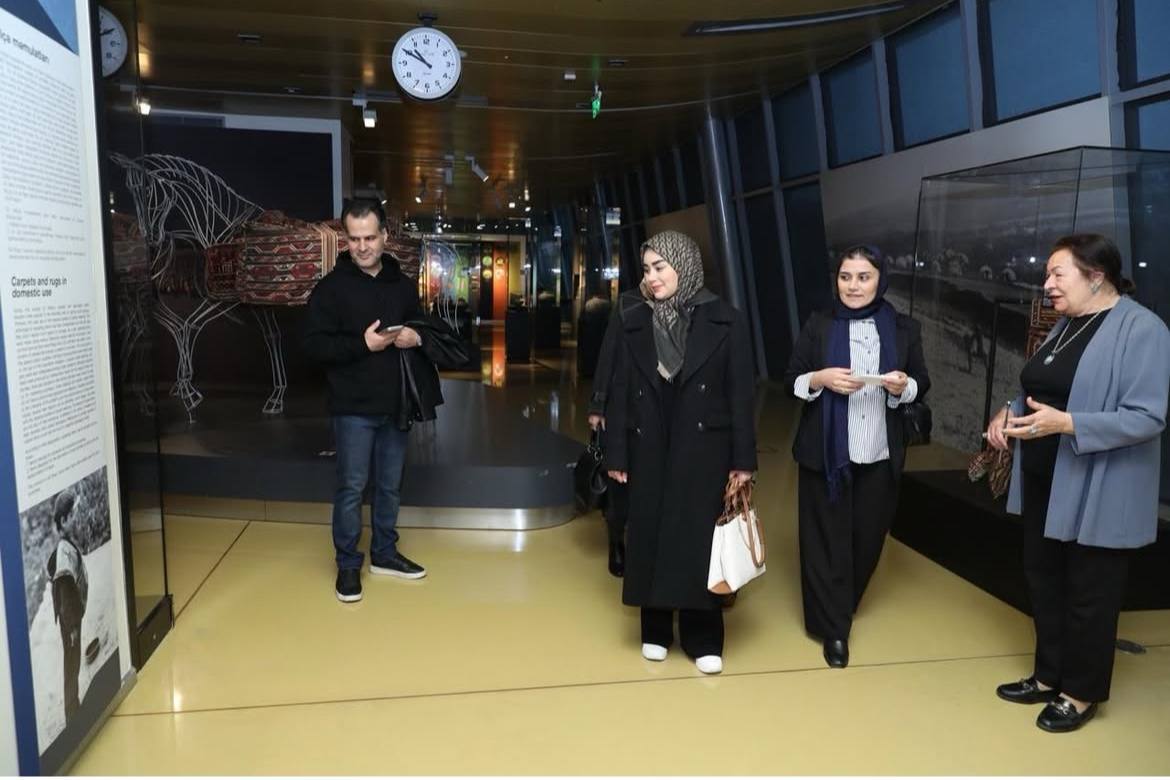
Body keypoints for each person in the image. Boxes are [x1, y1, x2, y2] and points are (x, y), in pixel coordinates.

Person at [986, 234, 1170, 733]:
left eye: (1057, 274)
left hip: (1099, 485)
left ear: (1095, 276)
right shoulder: (1066, 324)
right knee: (1044, 579)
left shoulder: (1143, 329)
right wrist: (1008, 411)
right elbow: (1039, 387)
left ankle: (1080, 693)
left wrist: (1068, 424)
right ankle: (1049, 675)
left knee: (1090, 591)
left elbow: (1148, 416)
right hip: (1045, 477)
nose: (1046, 284)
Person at [602, 230, 756, 675]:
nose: (651, 278)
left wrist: (743, 461)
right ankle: (654, 630)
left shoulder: (725, 320)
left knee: (697, 539)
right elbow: (619, 388)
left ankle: (702, 636)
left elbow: (740, 395)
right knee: (649, 531)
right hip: (647, 443)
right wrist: (616, 454)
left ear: (684, 266)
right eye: (646, 269)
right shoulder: (633, 318)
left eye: (660, 267)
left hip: (705, 448)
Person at [783, 244, 930, 669]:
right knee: (824, 542)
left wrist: (903, 387)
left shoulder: (904, 328)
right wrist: (820, 378)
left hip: (879, 454)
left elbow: (921, 381)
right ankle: (834, 628)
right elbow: (792, 379)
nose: (853, 286)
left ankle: (840, 604)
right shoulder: (820, 323)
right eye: (845, 277)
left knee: (866, 540)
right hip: (826, 454)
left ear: (880, 280)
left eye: (863, 277)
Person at [303, 198, 428, 603]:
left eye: (369, 238)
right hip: (352, 408)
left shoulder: (403, 285)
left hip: (396, 405)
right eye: (354, 238)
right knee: (352, 488)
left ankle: (385, 554)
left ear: (385, 236)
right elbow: (312, 347)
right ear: (346, 238)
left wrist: (416, 336)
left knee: (390, 486)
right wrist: (363, 344)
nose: (362, 247)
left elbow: (425, 326)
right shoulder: (330, 288)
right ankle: (347, 565)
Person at [587, 293, 626, 577]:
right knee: (618, 479)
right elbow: (608, 355)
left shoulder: (682, 305)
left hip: (662, 409)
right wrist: (598, 406)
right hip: (623, 406)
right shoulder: (629, 305)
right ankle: (616, 542)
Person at [46, 489, 87, 722]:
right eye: (73, 514)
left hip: (70, 617)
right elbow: (65, 592)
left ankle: (74, 706)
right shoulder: (64, 551)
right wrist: (71, 627)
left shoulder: (64, 546)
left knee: (73, 660)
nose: (77, 517)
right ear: (63, 520)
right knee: (72, 663)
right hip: (69, 619)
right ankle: (72, 713)